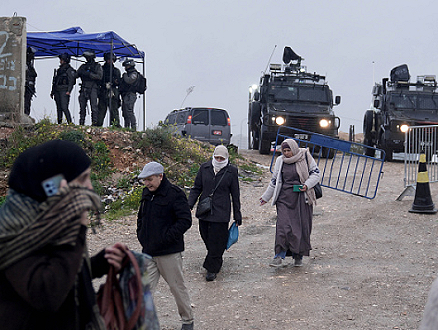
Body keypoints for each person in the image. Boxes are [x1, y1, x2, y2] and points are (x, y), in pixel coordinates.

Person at [0, 140, 127, 330]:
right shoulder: (14, 232)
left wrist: (101, 263)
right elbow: (47, 293)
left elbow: (61, 270)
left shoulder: (52, 220)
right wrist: (75, 228)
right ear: (55, 185)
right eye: (83, 179)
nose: (90, 188)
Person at [137, 161, 194, 330]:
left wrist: (166, 238)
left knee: (177, 288)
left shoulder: (175, 194)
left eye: (150, 179)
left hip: (169, 252)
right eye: (145, 180)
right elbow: (141, 217)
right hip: (148, 252)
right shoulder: (146, 193)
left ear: (160, 176)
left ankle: (187, 321)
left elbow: (185, 221)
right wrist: (141, 235)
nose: (147, 183)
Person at [260, 138, 320, 267]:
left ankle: (298, 255)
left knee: (300, 228)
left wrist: (306, 185)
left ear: (294, 149)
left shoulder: (305, 156)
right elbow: (275, 180)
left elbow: (316, 174)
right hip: (284, 198)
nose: (286, 153)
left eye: (288, 150)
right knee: (283, 227)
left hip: (301, 198)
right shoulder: (280, 161)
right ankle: (278, 256)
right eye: (284, 151)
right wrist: (266, 197)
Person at [188, 145, 242, 281]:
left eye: (221, 158)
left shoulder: (231, 171)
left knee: (218, 239)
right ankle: (215, 256)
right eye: (216, 157)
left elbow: (235, 194)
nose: (218, 160)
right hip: (205, 210)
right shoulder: (204, 168)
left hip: (221, 211)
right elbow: (196, 188)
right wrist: (188, 205)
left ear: (226, 158)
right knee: (206, 236)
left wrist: (237, 214)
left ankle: (212, 268)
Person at [77, 50, 103, 126]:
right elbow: (76, 74)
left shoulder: (97, 66)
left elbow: (99, 76)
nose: (87, 59)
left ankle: (94, 123)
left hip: (93, 87)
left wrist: (89, 74)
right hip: (84, 87)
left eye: (88, 57)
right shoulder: (83, 66)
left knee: (94, 106)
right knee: (82, 107)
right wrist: (81, 72)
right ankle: (81, 122)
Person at [97, 52, 121, 127]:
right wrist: (104, 84)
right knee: (101, 110)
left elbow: (118, 82)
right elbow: (98, 80)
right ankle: (98, 124)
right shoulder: (101, 69)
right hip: (103, 91)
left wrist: (114, 83)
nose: (110, 61)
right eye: (109, 59)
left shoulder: (116, 71)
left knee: (114, 110)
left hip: (113, 91)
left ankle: (115, 125)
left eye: (112, 60)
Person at [50, 53, 76, 124]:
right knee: (59, 108)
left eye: (61, 60)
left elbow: (71, 81)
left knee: (64, 107)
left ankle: (70, 122)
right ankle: (59, 122)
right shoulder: (59, 70)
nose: (60, 61)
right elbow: (55, 81)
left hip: (64, 90)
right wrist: (52, 91)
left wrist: (69, 91)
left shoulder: (70, 70)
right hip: (57, 90)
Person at [119, 59, 139, 130]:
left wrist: (124, 76)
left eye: (127, 66)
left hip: (131, 95)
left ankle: (133, 128)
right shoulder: (127, 74)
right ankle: (126, 127)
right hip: (125, 95)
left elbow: (129, 80)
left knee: (129, 111)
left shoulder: (134, 74)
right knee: (125, 111)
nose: (125, 68)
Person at [24, 47, 37, 116]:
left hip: (30, 88)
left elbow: (34, 76)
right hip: (26, 87)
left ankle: (27, 115)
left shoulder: (29, 65)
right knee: (25, 103)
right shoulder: (24, 64)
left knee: (27, 103)